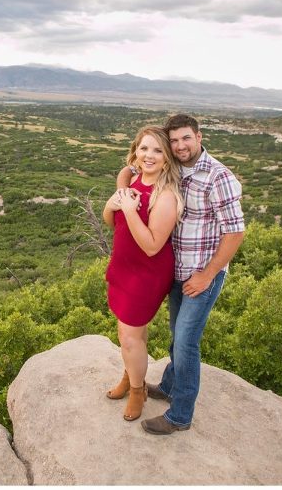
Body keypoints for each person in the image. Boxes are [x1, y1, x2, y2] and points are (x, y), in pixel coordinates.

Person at [115, 113, 244, 434]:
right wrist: (123, 189)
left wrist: (209, 274)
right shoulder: (175, 168)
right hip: (175, 270)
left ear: (199, 137)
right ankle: (170, 386)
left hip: (202, 274)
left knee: (186, 342)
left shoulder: (219, 177)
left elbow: (235, 233)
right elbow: (131, 167)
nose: (180, 145)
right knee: (176, 336)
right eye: (173, 141)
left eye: (186, 138)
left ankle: (180, 415)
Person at [103, 125, 183, 421]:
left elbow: (151, 246)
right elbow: (114, 223)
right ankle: (130, 375)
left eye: (158, 150)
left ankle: (138, 391)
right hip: (123, 266)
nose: (149, 155)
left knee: (129, 336)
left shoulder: (166, 196)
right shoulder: (134, 180)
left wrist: (130, 209)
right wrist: (111, 205)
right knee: (128, 332)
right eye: (144, 148)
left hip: (146, 273)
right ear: (135, 151)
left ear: (167, 158)